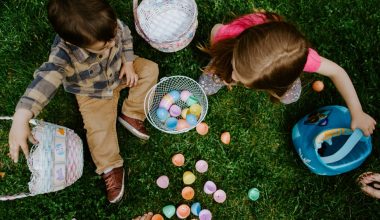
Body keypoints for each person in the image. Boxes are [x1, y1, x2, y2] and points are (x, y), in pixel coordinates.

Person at [7, 0, 158, 203]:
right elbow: (46, 80)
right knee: (99, 129)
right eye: (105, 45)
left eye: (113, 36)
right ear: (74, 43)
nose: (113, 43)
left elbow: (125, 36)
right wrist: (21, 116)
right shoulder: (64, 55)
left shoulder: (109, 25)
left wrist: (129, 63)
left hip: (120, 71)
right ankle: (110, 165)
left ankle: (131, 113)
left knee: (149, 70)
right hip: (91, 93)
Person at [198, 11, 376, 136]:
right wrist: (225, 60)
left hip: (278, 71)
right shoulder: (231, 35)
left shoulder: (303, 59)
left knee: (290, 96)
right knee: (218, 72)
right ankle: (225, 67)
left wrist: (357, 112)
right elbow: (216, 29)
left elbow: (337, 72)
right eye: (236, 69)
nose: (234, 78)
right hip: (235, 48)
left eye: (241, 79)